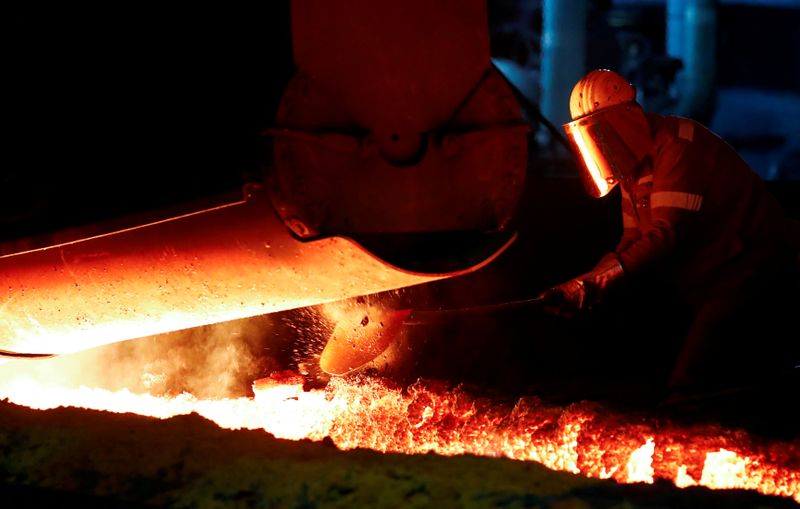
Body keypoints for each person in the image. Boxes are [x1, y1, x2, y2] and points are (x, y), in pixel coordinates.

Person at [539, 69, 800, 391]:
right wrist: (582, 285)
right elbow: (632, 242)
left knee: (692, 379)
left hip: (751, 263)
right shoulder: (631, 169)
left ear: (627, 116)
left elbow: (666, 234)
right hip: (713, 279)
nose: (602, 145)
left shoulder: (678, 145)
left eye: (605, 132)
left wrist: (592, 284)